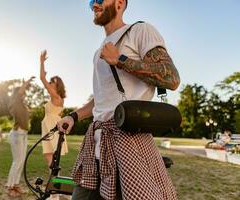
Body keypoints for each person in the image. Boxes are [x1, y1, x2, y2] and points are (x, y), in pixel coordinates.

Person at [57, 0, 180, 199]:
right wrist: (73, 116)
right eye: (90, 3)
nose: (94, 6)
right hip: (96, 143)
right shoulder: (99, 52)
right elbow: (100, 99)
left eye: (99, 0)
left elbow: (171, 78)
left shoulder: (140, 31)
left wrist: (120, 60)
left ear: (120, 3)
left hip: (128, 141)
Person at [5, 77, 34, 197]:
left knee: (21, 161)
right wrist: (27, 82)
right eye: (23, 94)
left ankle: (16, 185)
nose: (24, 96)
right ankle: (9, 186)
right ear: (18, 94)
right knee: (17, 161)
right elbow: (20, 92)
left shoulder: (21, 105)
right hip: (17, 134)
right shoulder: (15, 102)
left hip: (24, 135)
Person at [40, 50, 68, 169]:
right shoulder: (59, 98)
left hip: (51, 126)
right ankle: (54, 180)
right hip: (50, 125)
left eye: (52, 82)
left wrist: (41, 62)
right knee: (48, 154)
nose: (50, 83)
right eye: (50, 81)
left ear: (58, 86)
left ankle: (55, 180)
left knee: (51, 156)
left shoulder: (56, 96)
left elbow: (41, 78)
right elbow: (59, 114)